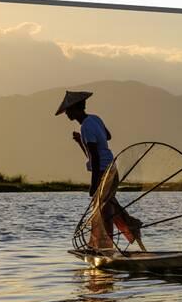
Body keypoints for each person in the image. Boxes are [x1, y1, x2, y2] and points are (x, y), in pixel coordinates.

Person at [55, 91, 146, 252]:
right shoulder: (95, 119)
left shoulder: (86, 127)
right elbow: (107, 137)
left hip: (104, 171)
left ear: (76, 109)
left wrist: (94, 184)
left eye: (68, 110)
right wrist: (81, 142)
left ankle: (105, 248)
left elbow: (95, 158)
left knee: (104, 212)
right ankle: (130, 224)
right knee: (109, 205)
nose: (67, 113)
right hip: (111, 168)